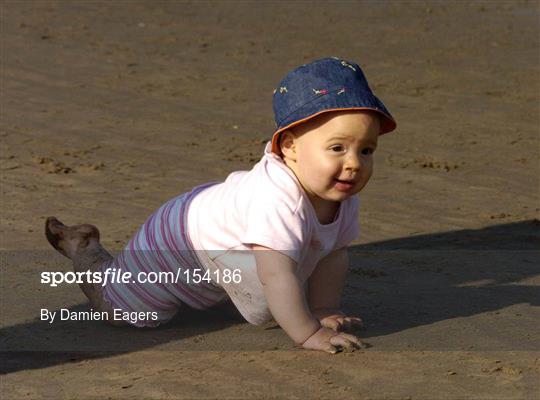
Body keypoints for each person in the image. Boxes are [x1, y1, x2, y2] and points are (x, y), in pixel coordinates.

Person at [45, 57, 396, 354]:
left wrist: (323, 309)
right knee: (131, 312)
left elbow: (333, 256)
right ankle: (84, 248)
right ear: (289, 147)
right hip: (171, 243)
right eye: (337, 148)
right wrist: (309, 333)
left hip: (215, 251)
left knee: (280, 281)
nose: (354, 164)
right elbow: (275, 277)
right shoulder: (276, 198)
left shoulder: (339, 194)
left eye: (366, 150)